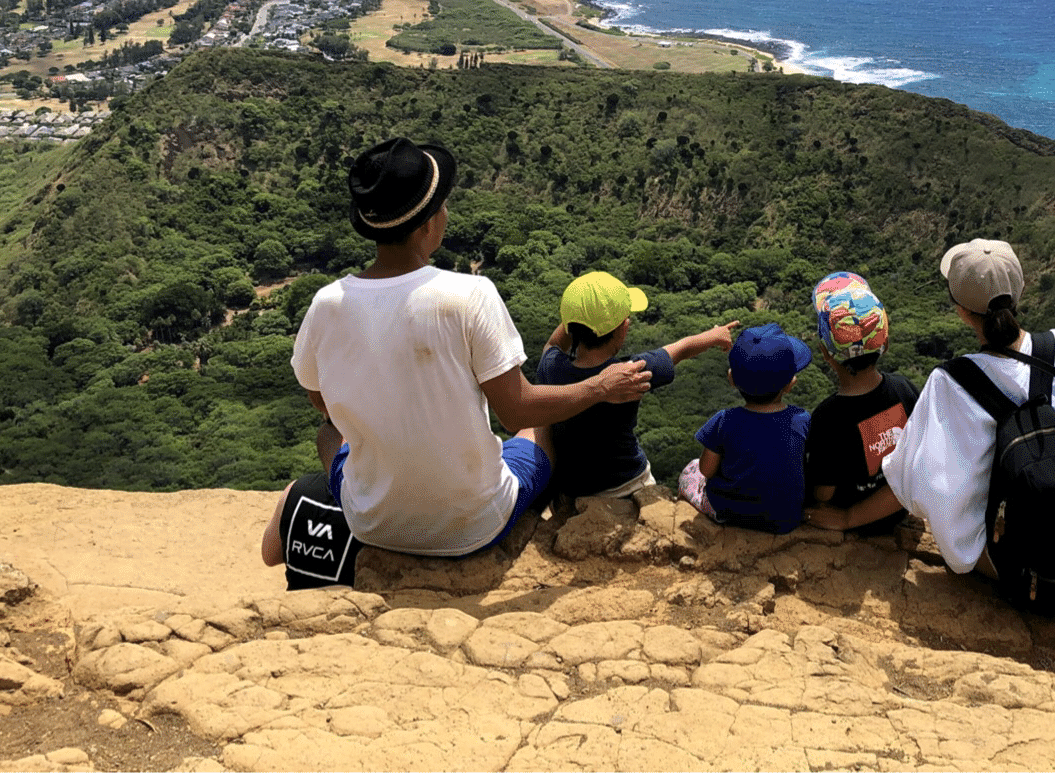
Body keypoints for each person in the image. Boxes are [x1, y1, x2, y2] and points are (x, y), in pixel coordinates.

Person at [290, 138, 651, 557]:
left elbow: (322, 402)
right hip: (473, 525)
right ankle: (551, 507)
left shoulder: (326, 303)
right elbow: (516, 409)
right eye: (442, 205)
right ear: (428, 224)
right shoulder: (469, 295)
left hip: (372, 525)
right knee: (539, 430)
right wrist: (601, 387)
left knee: (329, 433)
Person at [885, 238, 1055, 588]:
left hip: (1022, 571)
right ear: (1021, 293)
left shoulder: (950, 384)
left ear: (960, 309)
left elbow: (917, 484)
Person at [533, 269, 739, 498]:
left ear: (570, 327)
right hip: (627, 483)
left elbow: (551, 345)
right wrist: (714, 335)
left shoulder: (552, 367)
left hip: (573, 487)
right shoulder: (632, 372)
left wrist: (576, 314)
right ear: (624, 329)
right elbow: (681, 349)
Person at [802, 272, 916, 534]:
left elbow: (823, 494)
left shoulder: (828, 417)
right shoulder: (904, 389)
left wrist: (848, 516)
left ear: (825, 353)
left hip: (853, 520)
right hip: (897, 509)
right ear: (884, 343)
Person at [677, 323, 812, 534]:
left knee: (690, 470)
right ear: (790, 384)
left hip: (729, 513)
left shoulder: (723, 421)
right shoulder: (802, 420)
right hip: (785, 518)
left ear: (731, 379)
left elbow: (706, 470)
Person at [260, 472, 360, 589]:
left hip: (297, 602)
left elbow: (269, 556)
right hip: (349, 604)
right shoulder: (373, 505)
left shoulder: (296, 488)